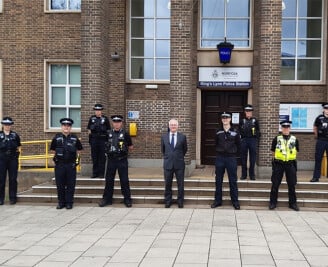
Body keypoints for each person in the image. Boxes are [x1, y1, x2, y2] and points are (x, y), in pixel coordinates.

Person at [99, 115, 133, 208]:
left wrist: (123, 152)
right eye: (115, 122)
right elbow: (105, 145)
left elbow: (130, 146)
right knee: (109, 180)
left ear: (121, 123)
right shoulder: (108, 133)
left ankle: (127, 199)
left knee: (124, 180)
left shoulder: (125, 134)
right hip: (111, 160)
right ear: (112, 123)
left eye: (118, 122)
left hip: (122, 160)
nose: (117, 124)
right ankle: (107, 199)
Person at [50, 118, 83, 209]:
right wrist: (55, 161)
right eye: (64, 125)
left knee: (70, 185)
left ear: (70, 128)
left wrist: (76, 162)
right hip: (60, 165)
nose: (66, 127)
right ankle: (61, 202)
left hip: (70, 165)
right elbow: (53, 151)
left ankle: (69, 202)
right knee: (60, 185)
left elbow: (79, 151)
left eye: (68, 126)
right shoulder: (56, 138)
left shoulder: (74, 139)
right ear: (61, 127)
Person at [211, 112, 241, 210]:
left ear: (230, 119)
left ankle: (235, 202)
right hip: (220, 158)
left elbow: (239, 145)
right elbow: (215, 144)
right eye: (223, 118)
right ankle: (217, 201)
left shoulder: (235, 131)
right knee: (218, 180)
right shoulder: (217, 131)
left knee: (233, 181)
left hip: (231, 158)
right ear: (221, 119)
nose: (225, 119)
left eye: (227, 117)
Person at [269, 120, 299, 211]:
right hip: (279, 164)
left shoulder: (294, 139)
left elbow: (296, 151)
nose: (286, 129)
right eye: (284, 127)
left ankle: (292, 203)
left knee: (292, 185)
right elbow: (273, 151)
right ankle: (273, 203)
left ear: (290, 128)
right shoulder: (277, 139)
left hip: (290, 164)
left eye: (287, 127)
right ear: (281, 128)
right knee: (275, 184)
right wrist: (275, 161)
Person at [161, 119, 188, 208]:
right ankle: (168, 201)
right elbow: (163, 150)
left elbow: (185, 149)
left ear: (177, 126)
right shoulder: (164, 137)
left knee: (180, 184)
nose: (173, 126)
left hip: (179, 164)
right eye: (171, 125)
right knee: (168, 183)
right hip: (168, 164)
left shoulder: (182, 137)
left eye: (175, 125)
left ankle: (180, 201)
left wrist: (177, 157)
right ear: (169, 126)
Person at [0, 117, 21, 205]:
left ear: (11, 125)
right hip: (1, 159)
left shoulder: (15, 135)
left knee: (13, 179)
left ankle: (12, 198)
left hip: (12, 159)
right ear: (3, 125)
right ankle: (1, 199)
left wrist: (16, 156)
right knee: (1, 179)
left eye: (9, 125)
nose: (7, 126)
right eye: (6, 124)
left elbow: (19, 146)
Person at [87, 104, 111, 178]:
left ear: (101, 111)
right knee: (94, 157)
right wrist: (91, 139)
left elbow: (108, 130)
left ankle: (101, 173)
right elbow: (89, 130)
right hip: (94, 140)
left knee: (102, 157)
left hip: (102, 140)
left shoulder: (105, 119)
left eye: (99, 110)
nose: (97, 112)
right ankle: (95, 173)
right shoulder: (92, 119)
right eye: (96, 110)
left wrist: (107, 142)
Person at [239, 104, 260, 180]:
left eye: (250, 111)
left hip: (252, 140)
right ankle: (244, 175)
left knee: (253, 159)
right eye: (247, 111)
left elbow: (258, 131)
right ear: (245, 112)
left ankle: (252, 175)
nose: (248, 112)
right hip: (244, 140)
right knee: (243, 158)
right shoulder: (242, 121)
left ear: (252, 112)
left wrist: (255, 135)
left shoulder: (255, 121)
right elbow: (239, 131)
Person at [310, 103, 328, 182]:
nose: (327, 111)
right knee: (318, 159)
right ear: (323, 110)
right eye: (326, 109)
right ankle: (316, 177)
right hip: (321, 140)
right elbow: (315, 127)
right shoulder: (319, 118)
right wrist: (317, 136)